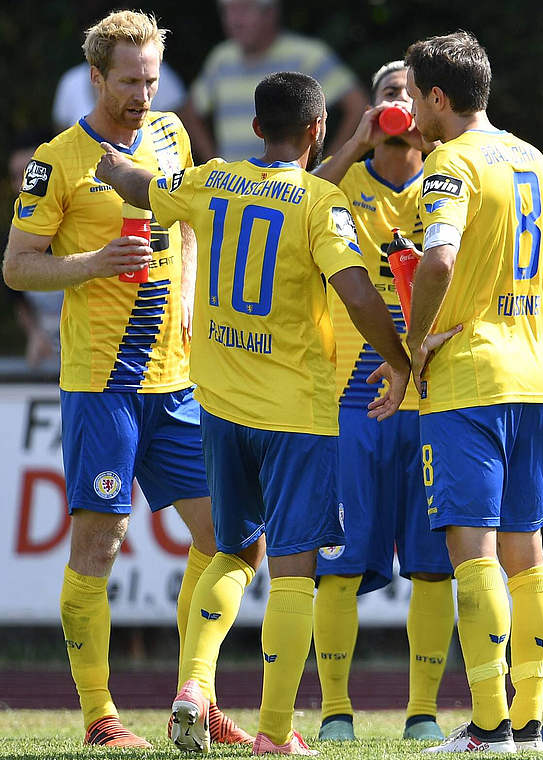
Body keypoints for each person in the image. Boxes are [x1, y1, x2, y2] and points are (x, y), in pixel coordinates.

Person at [96, 70, 411, 756]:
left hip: (221, 406)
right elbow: (357, 293)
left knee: (235, 550)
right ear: (319, 130)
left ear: (257, 129)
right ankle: (273, 733)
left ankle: (194, 684)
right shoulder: (320, 202)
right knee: (294, 571)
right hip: (295, 413)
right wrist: (400, 356)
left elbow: (139, 188)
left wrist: (108, 160)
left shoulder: (213, 180)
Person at [2, 11, 256, 749]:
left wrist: (189, 289)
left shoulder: (172, 134)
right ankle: (99, 718)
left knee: (234, 541)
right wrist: (89, 266)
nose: (142, 93)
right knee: (100, 545)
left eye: (150, 79)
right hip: (101, 385)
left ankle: (196, 694)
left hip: (177, 384)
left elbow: (189, 226)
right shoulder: (58, 160)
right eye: (129, 81)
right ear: (95, 76)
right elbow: (17, 264)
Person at [400, 31, 543, 754]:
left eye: (414, 96)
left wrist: (414, 343)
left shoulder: (449, 164)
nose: (410, 111)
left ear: (440, 98)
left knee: (471, 552)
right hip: (531, 378)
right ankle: (531, 722)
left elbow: (439, 258)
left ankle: (487, 726)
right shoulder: (535, 160)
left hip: (468, 377)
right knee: (526, 554)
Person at [306, 60, 453, 743]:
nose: (398, 106)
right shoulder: (344, 182)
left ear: (429, 108)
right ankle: (336, 710)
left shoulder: (453, 181)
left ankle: (423, 710)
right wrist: (355, 142)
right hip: (353, 398)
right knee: (337, 562)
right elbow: (288, 206)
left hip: (431, 394)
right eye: (388, 93)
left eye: (408, 95)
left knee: (433, 562)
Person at [180, 0, 364, 161]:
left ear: (270, 12)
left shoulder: (307, 56)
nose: (234, 20)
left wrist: (327, 167)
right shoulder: (221, 59)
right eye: (228, 10)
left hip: (291, 191)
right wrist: (215, 163)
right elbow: (191, 112)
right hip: (234, 190)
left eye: (243, 9)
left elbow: (358, 107)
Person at [4, 133, 62, 372]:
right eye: (14, 176)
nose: (21, 184)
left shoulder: (72, 225)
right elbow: (17, 298)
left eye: (27, 173)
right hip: (44, 355)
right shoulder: (9, 238)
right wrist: (34, 333)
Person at [53, 60, 186, 130]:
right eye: (128, 82)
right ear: (96, 77)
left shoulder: (172, 130)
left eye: (150, 82)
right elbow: (61, 139)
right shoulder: (71, 81)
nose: (143, 98)